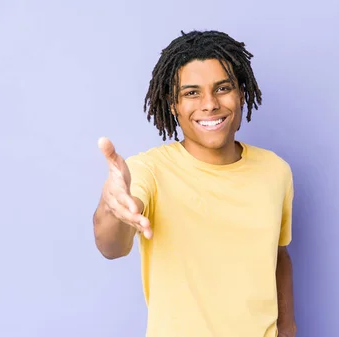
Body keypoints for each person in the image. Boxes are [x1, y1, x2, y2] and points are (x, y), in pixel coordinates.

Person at [92, 30, 296, 337]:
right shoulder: (149, 171)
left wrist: (287, 327)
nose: (210, 104)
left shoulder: (275, 171)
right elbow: (112, 246)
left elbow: (278, 255)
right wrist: (112, 208)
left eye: (222, 88)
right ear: (173, 105)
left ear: (240, 93)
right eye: (191, 93)